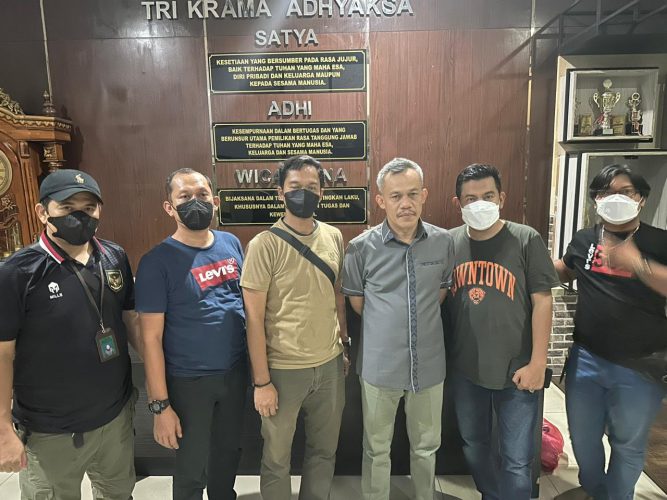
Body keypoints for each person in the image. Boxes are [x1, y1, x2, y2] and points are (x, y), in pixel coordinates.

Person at [0, 169, 141, 499]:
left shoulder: (114, 256)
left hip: (114, 419)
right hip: (51, 431)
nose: (80, 216)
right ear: (42, 212)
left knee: (119, 494)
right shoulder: (17, 272)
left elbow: (130, 320)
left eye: (89, 208)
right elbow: (3, 353)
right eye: (67, 207)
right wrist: (3, 427)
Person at [341, 158, 454, 500]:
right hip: (380, 366)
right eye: (396, 196)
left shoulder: (443, 242)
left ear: (424, 195)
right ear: (381, 200)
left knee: (426, 446)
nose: (405, 203)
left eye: (412, 194)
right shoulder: (361, 247)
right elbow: (358, 303)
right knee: (376, 448)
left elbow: (440, 293)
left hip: (429, 364)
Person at [444, 163, 557, 500]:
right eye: (471, 198)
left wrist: (538, 363)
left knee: (518, 459)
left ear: (502, 198)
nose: (480, 204)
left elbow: (543, 301)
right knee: (474, 445)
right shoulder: (448, 242)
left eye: (488, 196)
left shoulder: (526, 239)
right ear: (458, 203)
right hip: (466, 369)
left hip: (518, 370)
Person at [554, 164, 667, 500]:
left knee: (627, 444)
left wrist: (637, 264)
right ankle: (595, 490)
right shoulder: (585, 238)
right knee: (583, 438)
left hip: (641, 364)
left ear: (641, 198)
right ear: (596, 199)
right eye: (605, 192)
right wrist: (528, 260)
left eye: (625, 191)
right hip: (586, 358)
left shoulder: (659, 241)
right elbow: (565, 270)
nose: (614, 198)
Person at [241, 155, 349, 500]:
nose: (305, 193)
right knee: (276, 459)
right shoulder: (264, 245)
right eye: (295, 186)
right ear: (280, 192)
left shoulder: (334, 236)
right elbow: (253, 319)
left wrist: (343, 344)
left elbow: (337, 295)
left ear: (322, 192)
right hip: (283, 371)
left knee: (324, 452)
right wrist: (262, 382)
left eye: (312, 187)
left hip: (329, 367)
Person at [135, 168, 248, 500]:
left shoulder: (230, 243)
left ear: (215, 201)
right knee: (191, 468)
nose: (194, 202)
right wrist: (160, 406)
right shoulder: (156, 262)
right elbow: (150, 339)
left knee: (227, 456)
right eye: (184, 197)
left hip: (234, 373)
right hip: (189, 382)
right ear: (169, 207)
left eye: (201, 195)